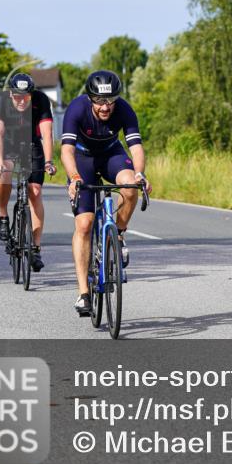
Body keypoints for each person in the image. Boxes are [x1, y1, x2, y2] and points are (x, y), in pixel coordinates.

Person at [61, 70, 152, 317]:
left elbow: (136, 147)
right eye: (100, 101)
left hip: (111, 154)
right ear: (90, 98)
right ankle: (83, 294)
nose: (105, 107)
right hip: (83, 159)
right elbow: (66, 150)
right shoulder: (77, 108)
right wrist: (74, 177)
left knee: (130, 186)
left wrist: (140, 174)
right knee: (84, 224)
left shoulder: (124, 109)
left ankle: (118, 234)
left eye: (110, 100)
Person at [0, 73, 56, 271]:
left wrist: (49, 161)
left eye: (26, 96)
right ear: (11, 94)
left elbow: (47, 133)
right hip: (9, 144)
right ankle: (3, 216)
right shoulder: (1, 100)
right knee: (4, 174)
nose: (21, 100)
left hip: (32, 145)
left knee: (35, 191)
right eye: (17, 96)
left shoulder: (41, 100)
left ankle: (35, 248)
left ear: (31, 94)